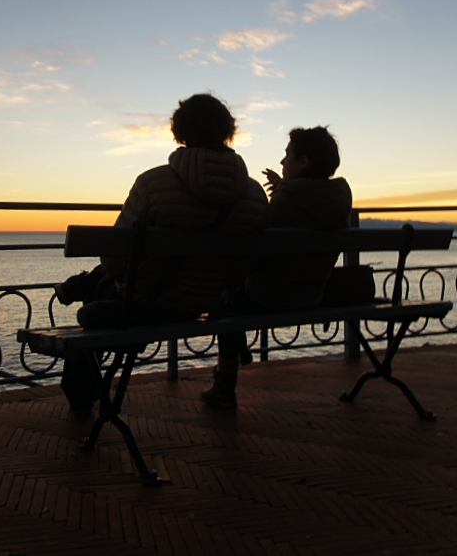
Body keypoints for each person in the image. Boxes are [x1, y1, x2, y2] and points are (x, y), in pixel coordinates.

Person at [55, 93, 268, 413]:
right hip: (202, 303)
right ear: (228, 130)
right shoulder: (254, 195)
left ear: (179, 131)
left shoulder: (152, 183)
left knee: (98, 297)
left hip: (146, 301)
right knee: (102, 291)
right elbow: (241, 271)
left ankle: (82, 396)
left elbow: (114, 261)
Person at [200, 126, 353, 408]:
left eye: (287, 156)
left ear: (304, 162)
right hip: (313, 296)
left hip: (268, 298)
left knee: (222, 293)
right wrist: (283, 189)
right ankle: (238, 346)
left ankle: (225, 382)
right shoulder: (340, 197)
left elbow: (256, 247)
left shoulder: (287, 199)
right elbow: (307, 206)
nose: (282, 162)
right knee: (230, 294)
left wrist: (279, 194)